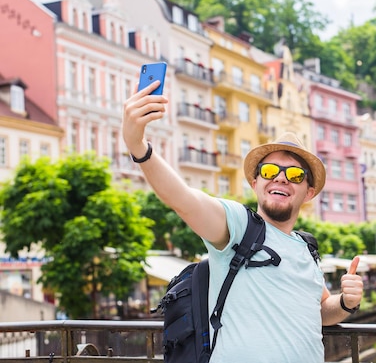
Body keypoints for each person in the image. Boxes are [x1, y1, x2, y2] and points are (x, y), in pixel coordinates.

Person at [122, 79, 363, 363]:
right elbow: (183, 199)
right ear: (255, 182)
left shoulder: (305, 248)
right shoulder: (238, 227)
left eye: (295, 175)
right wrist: (139, 147)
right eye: (270, 170)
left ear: (309, 192)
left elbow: (320, 310)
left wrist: (346, 301)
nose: (281, 177)